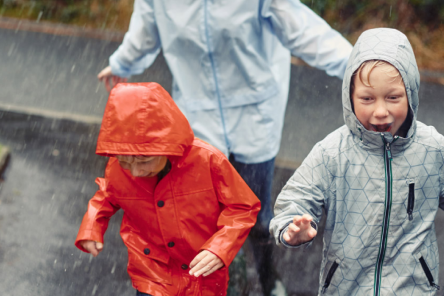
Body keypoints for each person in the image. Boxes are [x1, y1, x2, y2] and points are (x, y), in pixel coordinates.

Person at [97, 0, 352, 294]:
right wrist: (121, 64)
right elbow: (143, 34)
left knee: (256, 213)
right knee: (210, 217)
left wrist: (361, 66)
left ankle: (269, 277)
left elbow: (307, 31)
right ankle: (232, 283)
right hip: (197, 112)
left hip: (256, 111)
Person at [270, 27, 444, 295]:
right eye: (367, 98)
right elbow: (297, 198)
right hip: (346, 288)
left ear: (411, 93)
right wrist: (292, 227)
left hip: (413, 287)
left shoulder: (432, 148)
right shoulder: (332, 153)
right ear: (349, 97)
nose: (381, 111)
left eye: (394, 97)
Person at [75, 82, 261, 296]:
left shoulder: (208, 161)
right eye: (125, 162)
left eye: (144, 161)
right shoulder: (117, 167)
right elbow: (107, 195)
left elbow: (243, 207)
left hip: (203, 272)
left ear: (166, 145)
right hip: (152, 273)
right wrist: (92, 227)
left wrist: (220, 248)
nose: (135, 172)